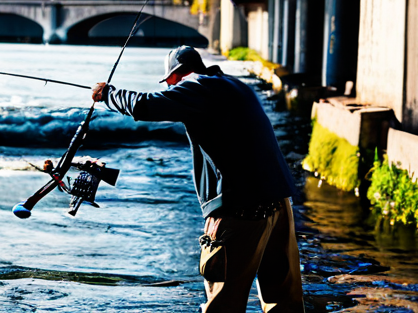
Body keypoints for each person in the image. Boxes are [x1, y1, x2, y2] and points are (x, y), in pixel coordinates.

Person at [91, 46, 304, 312]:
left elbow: (144, 106)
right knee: (284, 301)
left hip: (241, 209)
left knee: (223, 303)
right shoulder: (236, 86)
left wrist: (109, 94)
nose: (169, 87)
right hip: (279, 203)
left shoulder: (197, 87)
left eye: (168, 82)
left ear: (173, 76)